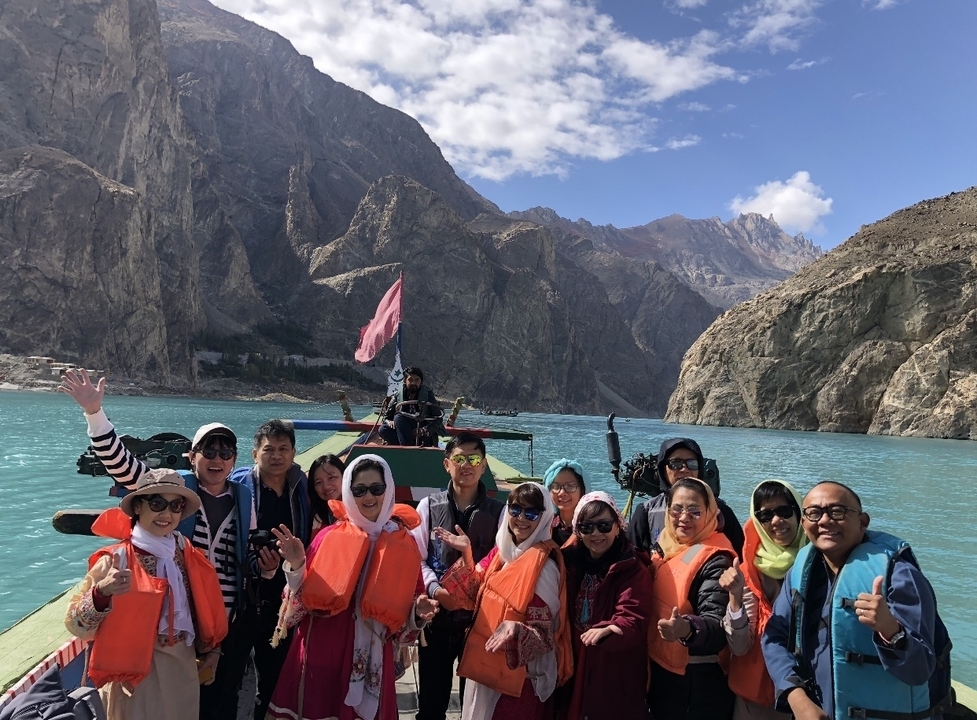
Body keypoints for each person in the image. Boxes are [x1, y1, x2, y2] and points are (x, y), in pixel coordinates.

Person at [59, 369, 255, 720]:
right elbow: (120, 463)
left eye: (226, 451)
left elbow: (245, 553)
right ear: (192, 456)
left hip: (206, 636)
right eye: (209, 450)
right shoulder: (122, 554)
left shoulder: (236, 505)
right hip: (137, 668)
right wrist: (94, 413)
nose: (166, 512)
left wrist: (214, 644)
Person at [265, 454, 438, 720]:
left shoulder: (405, 545)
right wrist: (298, 565)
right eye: (359, 490)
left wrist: (417, 612)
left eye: (376, 488)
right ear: (348, 491)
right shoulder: (327, 537)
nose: (368, 497)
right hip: (323, 652)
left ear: (388, 490)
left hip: (373, 658)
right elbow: (295, 608)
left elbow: (405, 622)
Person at [761, 481, 950, 720]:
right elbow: (774, 637)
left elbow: (920, 670)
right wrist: (796, 696)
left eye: (837, 511)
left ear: (863, 521)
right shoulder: (800, 571)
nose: (825, 521)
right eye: (814, 513)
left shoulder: (899, 576)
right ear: (804, 524)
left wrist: (891, 631)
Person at [65, 469, 228, 720]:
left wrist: (213, 651)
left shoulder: (185, 552)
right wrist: (102, 592)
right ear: (138, 507)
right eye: (157, 503)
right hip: (133, 681)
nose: (166, 514)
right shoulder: (115, 560)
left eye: (175, 505)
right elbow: (76, 625)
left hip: (182, 670)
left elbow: (202, 609)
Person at [434, 482, 572, 720]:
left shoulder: (544, 568)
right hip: (486, 669)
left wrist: (516, 629)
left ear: (545, 517)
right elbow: (470, 597)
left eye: (531, 513)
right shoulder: (500, 552)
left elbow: (545, 637)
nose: (521, 518)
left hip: (518, 681)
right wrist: (467, 553)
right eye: (515, 509)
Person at [411, 433, 506, 720]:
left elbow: (502, 564)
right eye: (459, 459)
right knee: (431, 705)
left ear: (484, 465)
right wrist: (435, 589)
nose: (466, 465)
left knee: (474, 707)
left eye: (474, 459)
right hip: (436, 618)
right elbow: (416, 557)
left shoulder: (500, 513)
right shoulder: (428, 506)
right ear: (446, 464)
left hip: (479, 623)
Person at [229, 420, 312, 720]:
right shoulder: (238, 487)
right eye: (269, 449)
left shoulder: (301, 488)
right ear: (255, 454)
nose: (276, 456)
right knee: (228, 678)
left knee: (274, 680)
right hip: (242, 597)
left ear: (293, 453)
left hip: (284, 600)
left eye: (283, 449)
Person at [557, 491, 653, 720]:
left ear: (618, 527)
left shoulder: (632, 569)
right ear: (578, 532)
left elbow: (633, 616)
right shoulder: (568, 563)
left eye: (604, 526)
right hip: (573, 663)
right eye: (587, 527)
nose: (596, 533)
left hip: (612, 669)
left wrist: (612, 629)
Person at [647, 477, 736, 720]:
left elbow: (718, 625)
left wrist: (686, 628)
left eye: (695, 511)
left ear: (710, 514)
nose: (684, 518)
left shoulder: (717, 561)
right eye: (677, 509)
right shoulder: (665, 545)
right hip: (661, 672)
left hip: (696, 684)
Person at [720, 480, 807, 720]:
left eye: (784, 511)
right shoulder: (748, 571)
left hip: (808, 694)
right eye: (765, 515)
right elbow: (740, 647)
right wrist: (735, 598)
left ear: (799, 513)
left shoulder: (820, 562)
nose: (776, 521)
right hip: (755, 697)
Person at [627, 437, 744, 556]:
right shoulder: (646, 512)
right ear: (662, 469)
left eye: (692, 464)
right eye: (675, 463)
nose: (684, 469)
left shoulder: (721, 512)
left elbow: (741, 555)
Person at [379, 366, 442, 446]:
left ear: (421, 382)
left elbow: (438, 418)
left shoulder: (428, 395)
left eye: (417, 380)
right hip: (403, 428)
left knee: (398, 418)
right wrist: (389, 421)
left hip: (422, 432)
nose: (413, 383)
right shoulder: (398, 395)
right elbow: (386, 417)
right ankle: (407, 447)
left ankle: (407, 447)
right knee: (384, 429)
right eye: (410, 380)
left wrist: (422, 430)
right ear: (405, 381)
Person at [544, 459, 585, 546]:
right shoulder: (544, 525)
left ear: (582, 489)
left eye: (570, 486)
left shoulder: (591, 528)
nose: (562, 492)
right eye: (555, 486)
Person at [308, 454, 346, 535]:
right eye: (319, 482)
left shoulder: (361, 508)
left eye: (331, 477)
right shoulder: (317, 521)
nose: (326, 486)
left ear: (344, 475)